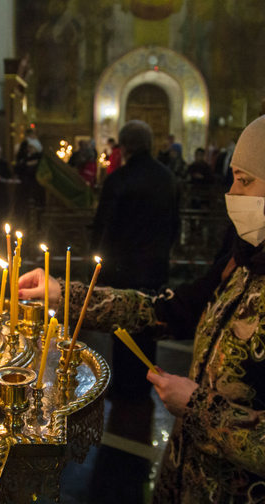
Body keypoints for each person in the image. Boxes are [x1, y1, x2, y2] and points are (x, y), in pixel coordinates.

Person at [18, 105, 265, 504]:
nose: (232, 194)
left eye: (245, 181)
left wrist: (198, 408)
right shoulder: (250, 256)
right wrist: (65, 294)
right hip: (188, 482)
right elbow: (170, 310)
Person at [89, 120, 179, 398]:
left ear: (124, 147)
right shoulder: (168, 178)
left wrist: (96, 267)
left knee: (124, 323)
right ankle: (144, 382)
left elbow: (103, 226)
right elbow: (176, 224)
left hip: (123, 268)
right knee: (150, 322)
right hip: (155, 265)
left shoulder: (118, 179)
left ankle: (125, 385)